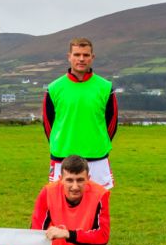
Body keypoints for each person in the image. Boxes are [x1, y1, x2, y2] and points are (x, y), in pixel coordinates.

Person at [42, 38, 119, 189]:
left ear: (92, 57)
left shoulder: (105, 88)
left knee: (98, 206)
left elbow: (112, 123)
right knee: (61, 207)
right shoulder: (54, 88)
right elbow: (48, 123)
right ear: (69, 57)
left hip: (96, 158)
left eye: (86, 55)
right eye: (77, 55)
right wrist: (60, 143)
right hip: (62, 158)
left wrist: (97, 142)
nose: (81, 59)